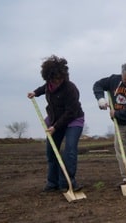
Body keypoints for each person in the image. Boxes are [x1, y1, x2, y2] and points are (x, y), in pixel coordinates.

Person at [27, 55, 84, 192]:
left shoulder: (70, 88)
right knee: (51, 152)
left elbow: (70, 112)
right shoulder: (49, 85)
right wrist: (34, 92)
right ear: (49, 78)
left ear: (64, 75)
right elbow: (44, 88)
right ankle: (52, 183)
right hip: (54, 121)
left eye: (60, 78)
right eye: (54, 79)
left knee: (69, 150)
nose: (57, 81)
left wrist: (55, 127)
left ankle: (67, 183)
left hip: (73, 120)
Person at [93, 62, 126, 186]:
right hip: (120, 122)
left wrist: (116, 114)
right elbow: (98, 85)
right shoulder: (113, 80)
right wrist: (100, 99)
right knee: (119, 148)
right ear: (121, 75)